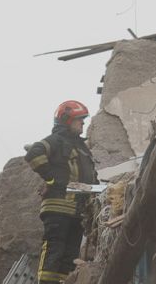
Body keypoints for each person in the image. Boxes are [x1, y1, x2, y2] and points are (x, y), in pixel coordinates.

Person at [25, 100, 99, 284]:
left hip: (77, 211)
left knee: (70, 257)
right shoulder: (57, 141)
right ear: (66, 120)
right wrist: (52, 179)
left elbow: (89, 177)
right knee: (54, 252)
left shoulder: (81, 148)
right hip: (58, 207)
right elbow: (34, 153)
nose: (83, 123)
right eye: (79, 120)